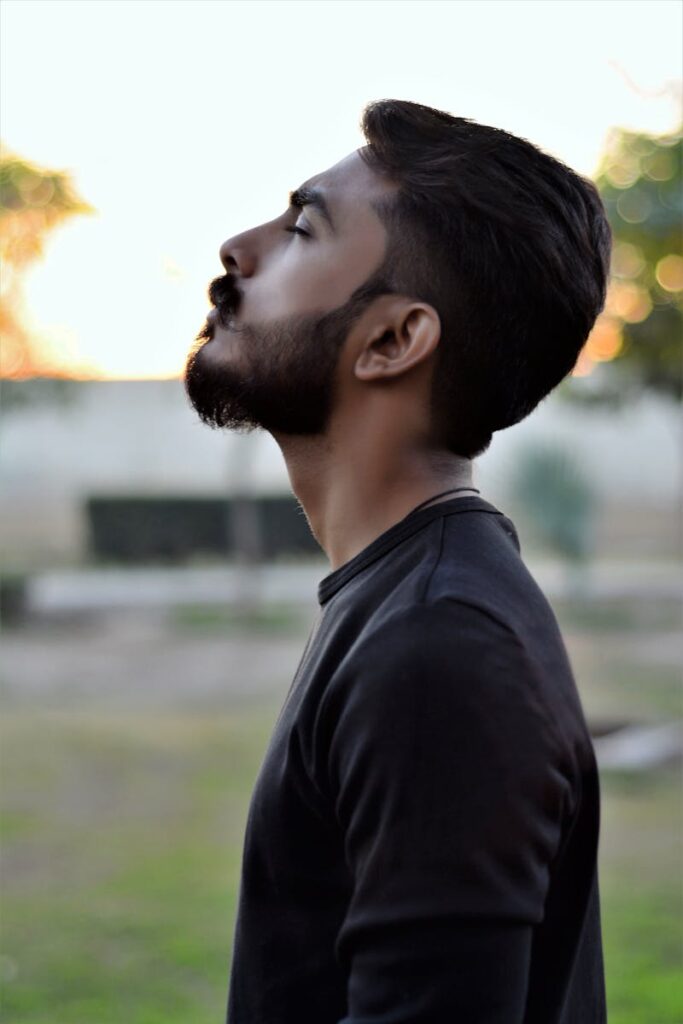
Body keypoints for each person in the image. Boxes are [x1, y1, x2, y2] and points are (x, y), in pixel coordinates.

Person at [184, 98, 611, 1024]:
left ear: (391, 341)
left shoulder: (438, 647)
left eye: (302, 229)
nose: (238, 250)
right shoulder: (409, 600)